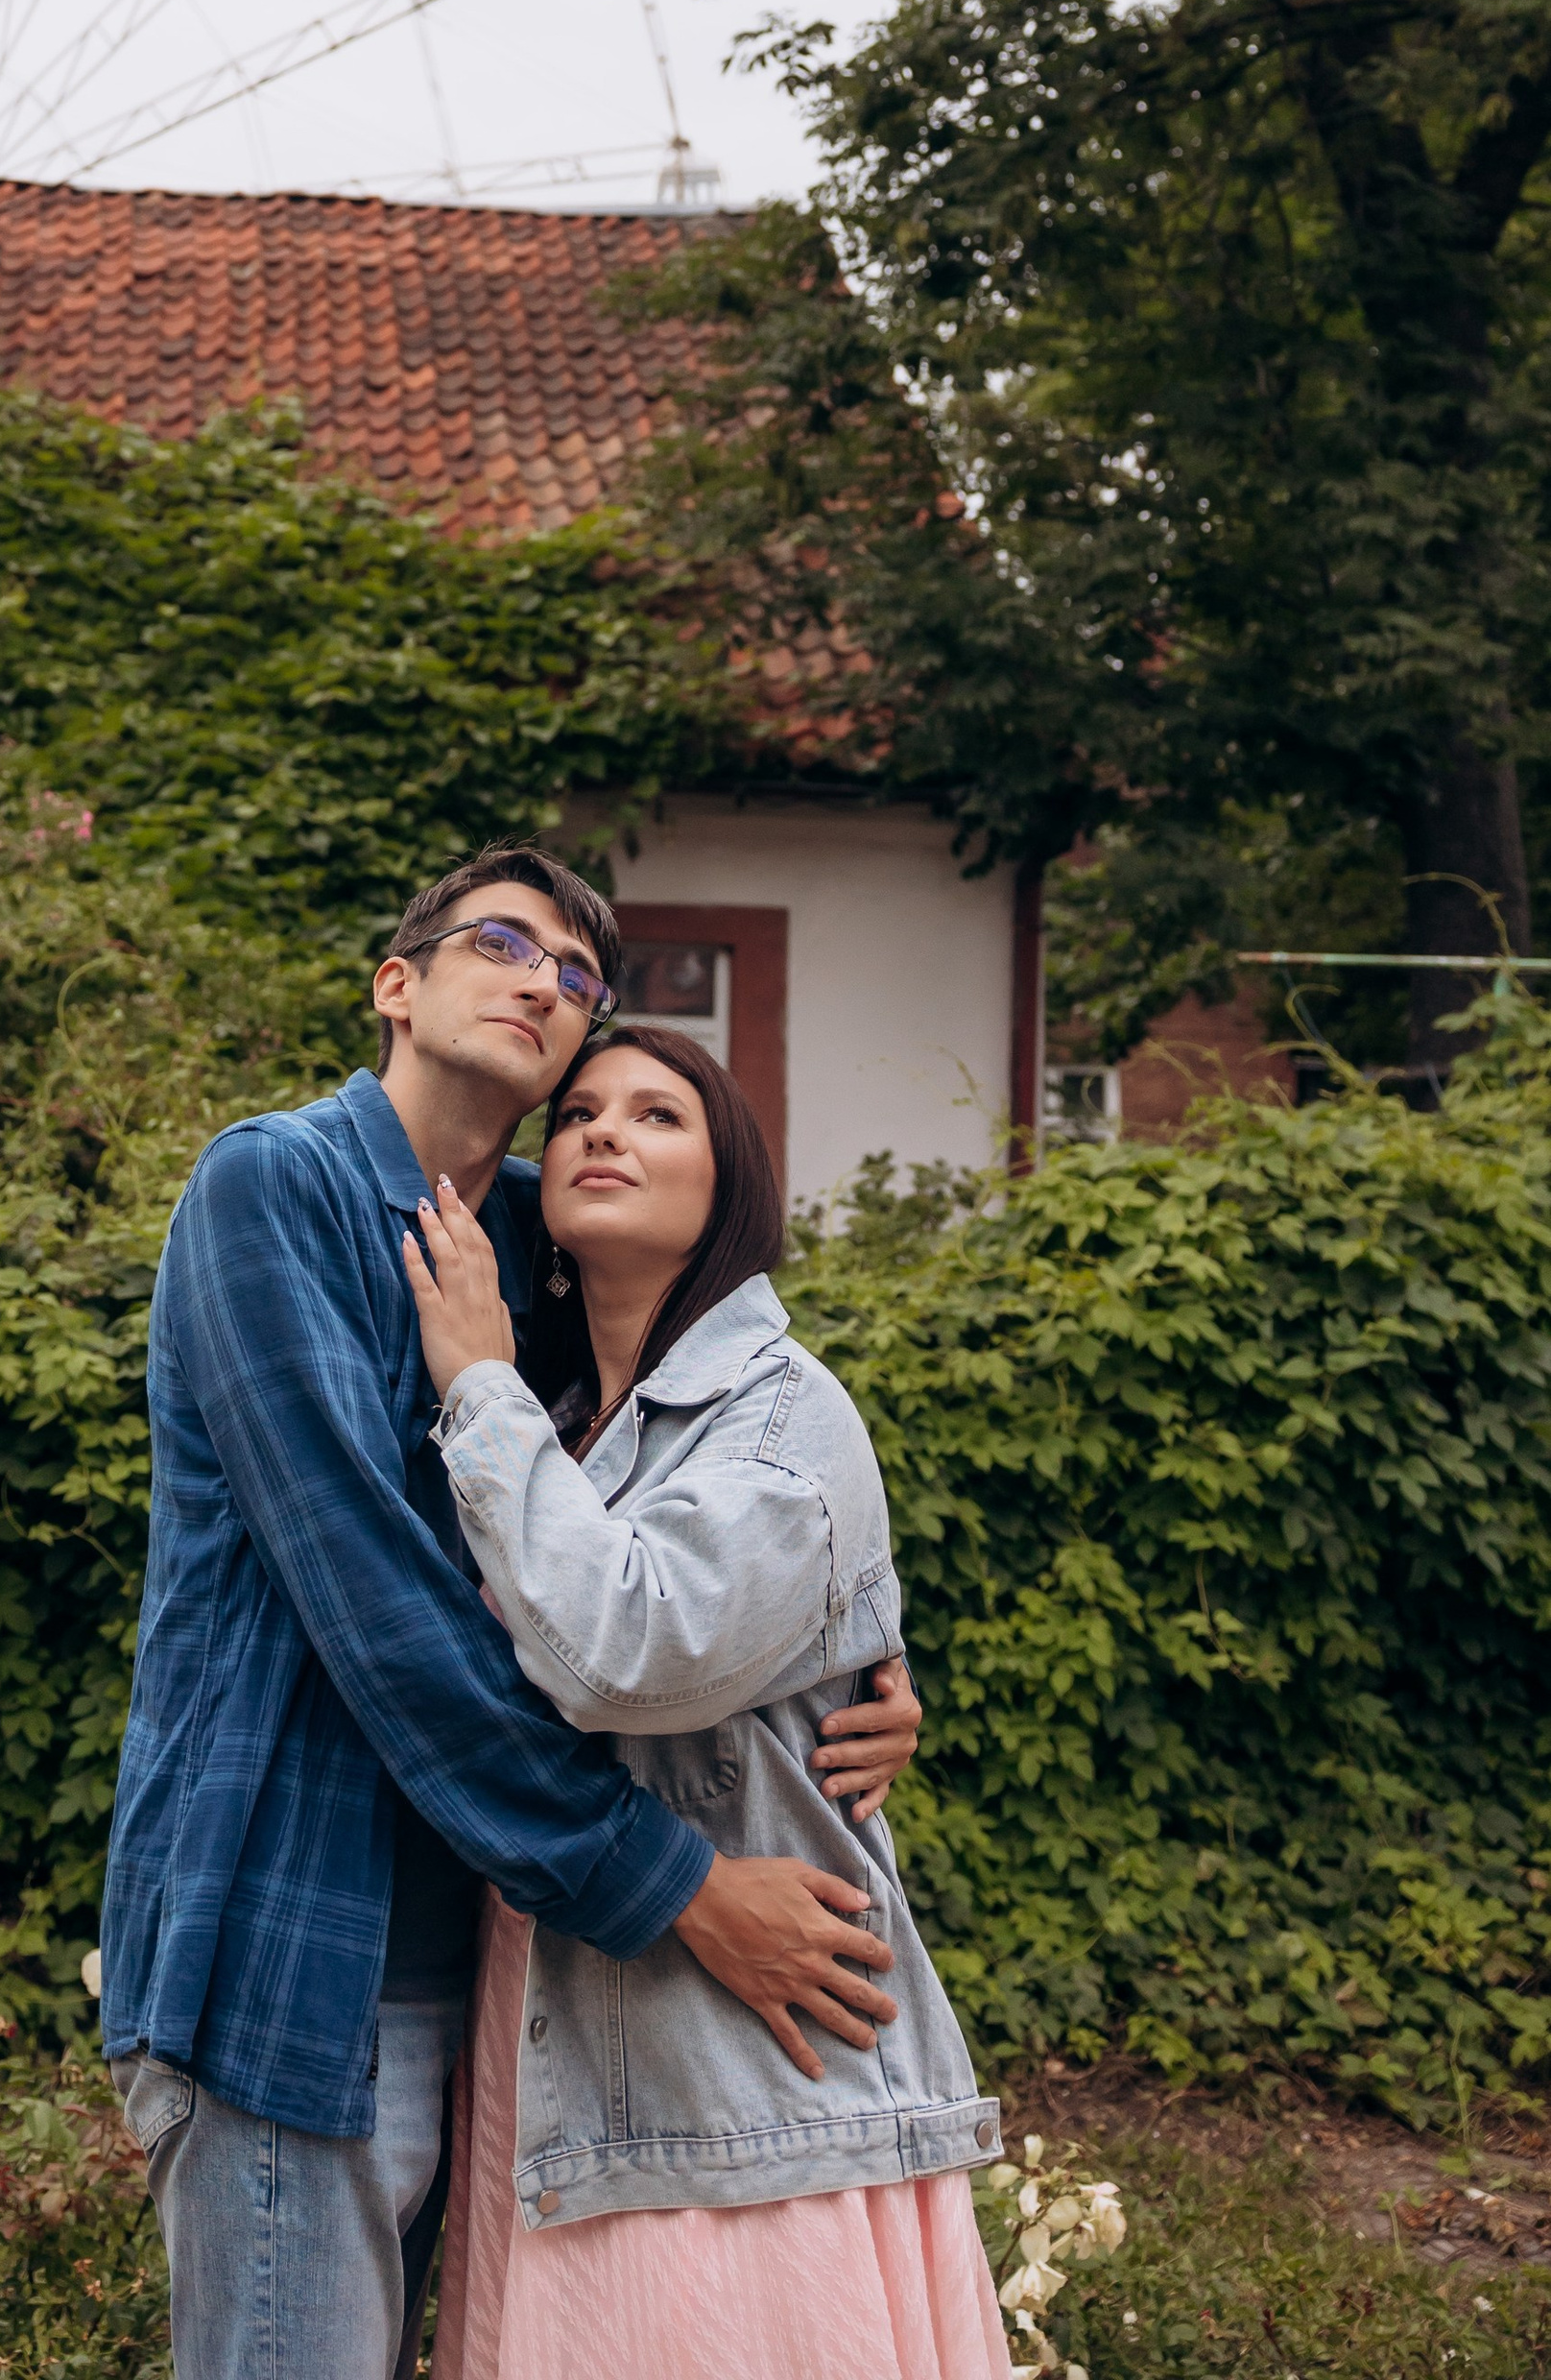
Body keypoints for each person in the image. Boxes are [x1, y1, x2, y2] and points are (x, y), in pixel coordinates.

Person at [99, 848, 929, 2380]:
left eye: (578, 973)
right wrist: (676, 1885)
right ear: (397, 985)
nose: (545, 981)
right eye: (504, 942)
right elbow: (382, 1611)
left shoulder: (558, 1242)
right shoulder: (273, 1190)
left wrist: (855, 1659)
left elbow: (692, 1470)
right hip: (295, 1951)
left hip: (499, 1977)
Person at [403, 1019, 1010, 2380]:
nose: (603, 1131)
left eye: (657, 1115)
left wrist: (477, 1383)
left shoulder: (781, 1413)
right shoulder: (562, 1427)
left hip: (732, 2077)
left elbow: (626, 1648)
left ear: (728, 1190)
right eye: (577, 1115)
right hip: (556, 2029)